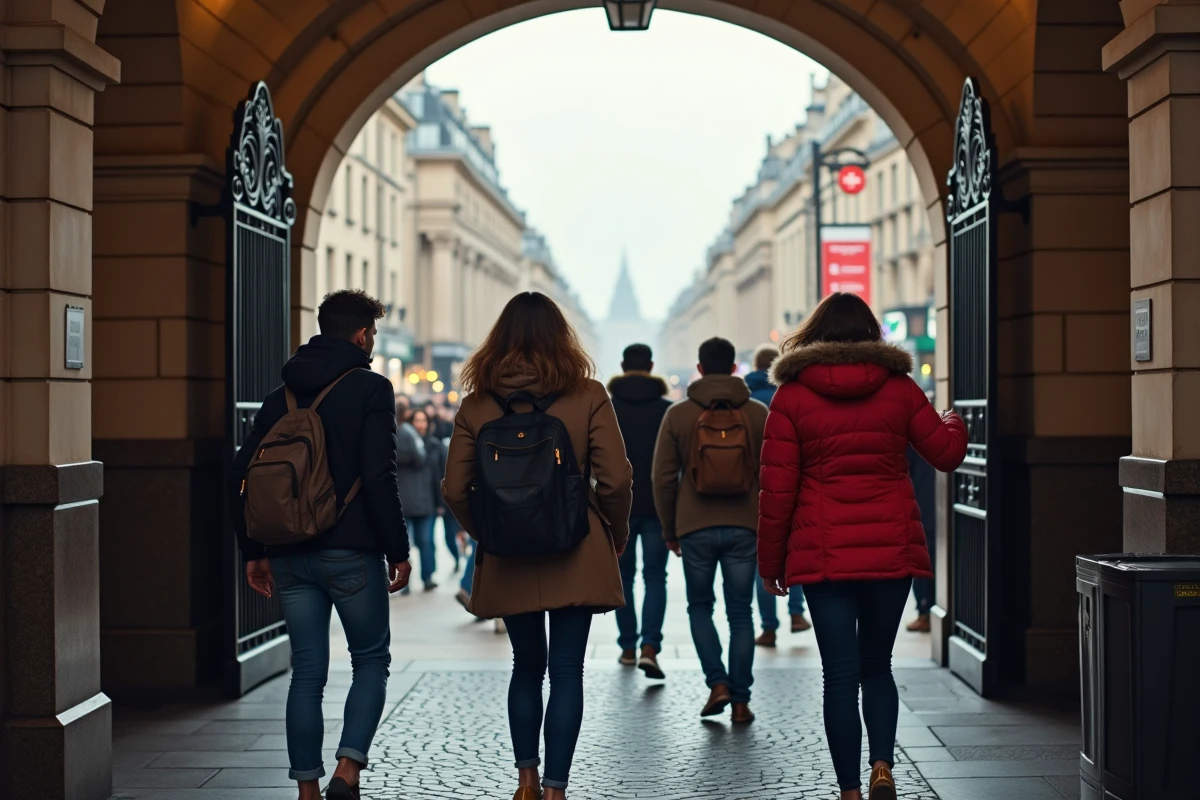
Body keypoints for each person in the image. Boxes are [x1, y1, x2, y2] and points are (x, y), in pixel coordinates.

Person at [758, 292, 967, 800]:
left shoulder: (791, 396)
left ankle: (849, 790)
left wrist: (771, 563)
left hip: (822, 555)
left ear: (814, 333)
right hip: (889, 550)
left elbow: (777, 490)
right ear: (872, 332)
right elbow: (945, 454)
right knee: (877, 667)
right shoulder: (899, 389)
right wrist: (953, 420)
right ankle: (882, 767)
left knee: (838, 676)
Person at [442, 292, 633, 800]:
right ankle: (555, 789)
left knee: (526, 666)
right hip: (577, 545)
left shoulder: (477, 404)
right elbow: (616, 479)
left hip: (509, 553)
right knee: (567, 670)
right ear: (561, 337)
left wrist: (489, 530)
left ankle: (525, 781)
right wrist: (614, 532)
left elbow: (455, 489)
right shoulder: (587, 394)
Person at [229, 289, 412, 800]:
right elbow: (379, 475)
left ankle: (307, 789)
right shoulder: (371, 389)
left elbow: (240, 475)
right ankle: (347, 771)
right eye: (372, 334)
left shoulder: (279, 397)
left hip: (288, 552)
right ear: (362, 335)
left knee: (306, 671)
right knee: (370, 659)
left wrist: (253, 550)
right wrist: (398, 550)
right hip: (351, 550)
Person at [652, 337, 769, 725]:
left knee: (700, 607)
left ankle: (717, 683)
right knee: (741, 612)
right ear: (735, 368)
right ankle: (741, 701)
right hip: (745, 525)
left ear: (699, 369)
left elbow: (662, 478)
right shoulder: (757, 413)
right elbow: (774, 473)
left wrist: (670, 528)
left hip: (694, 525)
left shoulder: (679, 414)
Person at [608, 343, 673, 679]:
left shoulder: (608, 409)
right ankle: (650, 646)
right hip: (658, 505)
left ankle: (628, 647)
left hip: (619, 507)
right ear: (650, 366)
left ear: (622, 366)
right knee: (655, 576)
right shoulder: (667, 410)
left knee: (624, 577)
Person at [744, 344, 810, 647]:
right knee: (795, 551)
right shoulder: (791, 395)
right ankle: (796, 613)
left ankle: (768, 628)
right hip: (794, 483)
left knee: (765, 558)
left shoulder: (746, 401)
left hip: (757, 490)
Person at [396, 404, 437, 592]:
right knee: (408, 544)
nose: (420, 424)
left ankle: (427, 577)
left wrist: (440, 503)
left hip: (425, 501)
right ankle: (407, 582)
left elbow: (438, 477)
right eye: (417, 420)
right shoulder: (405, 441)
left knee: (425, 542)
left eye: (423, 420)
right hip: (406, 502)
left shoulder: (433, 445)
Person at [906, 441, 937, 632]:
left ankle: (925, 610)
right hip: (929, 501)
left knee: (922, 554)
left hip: (922, 503)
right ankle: (926, 609)